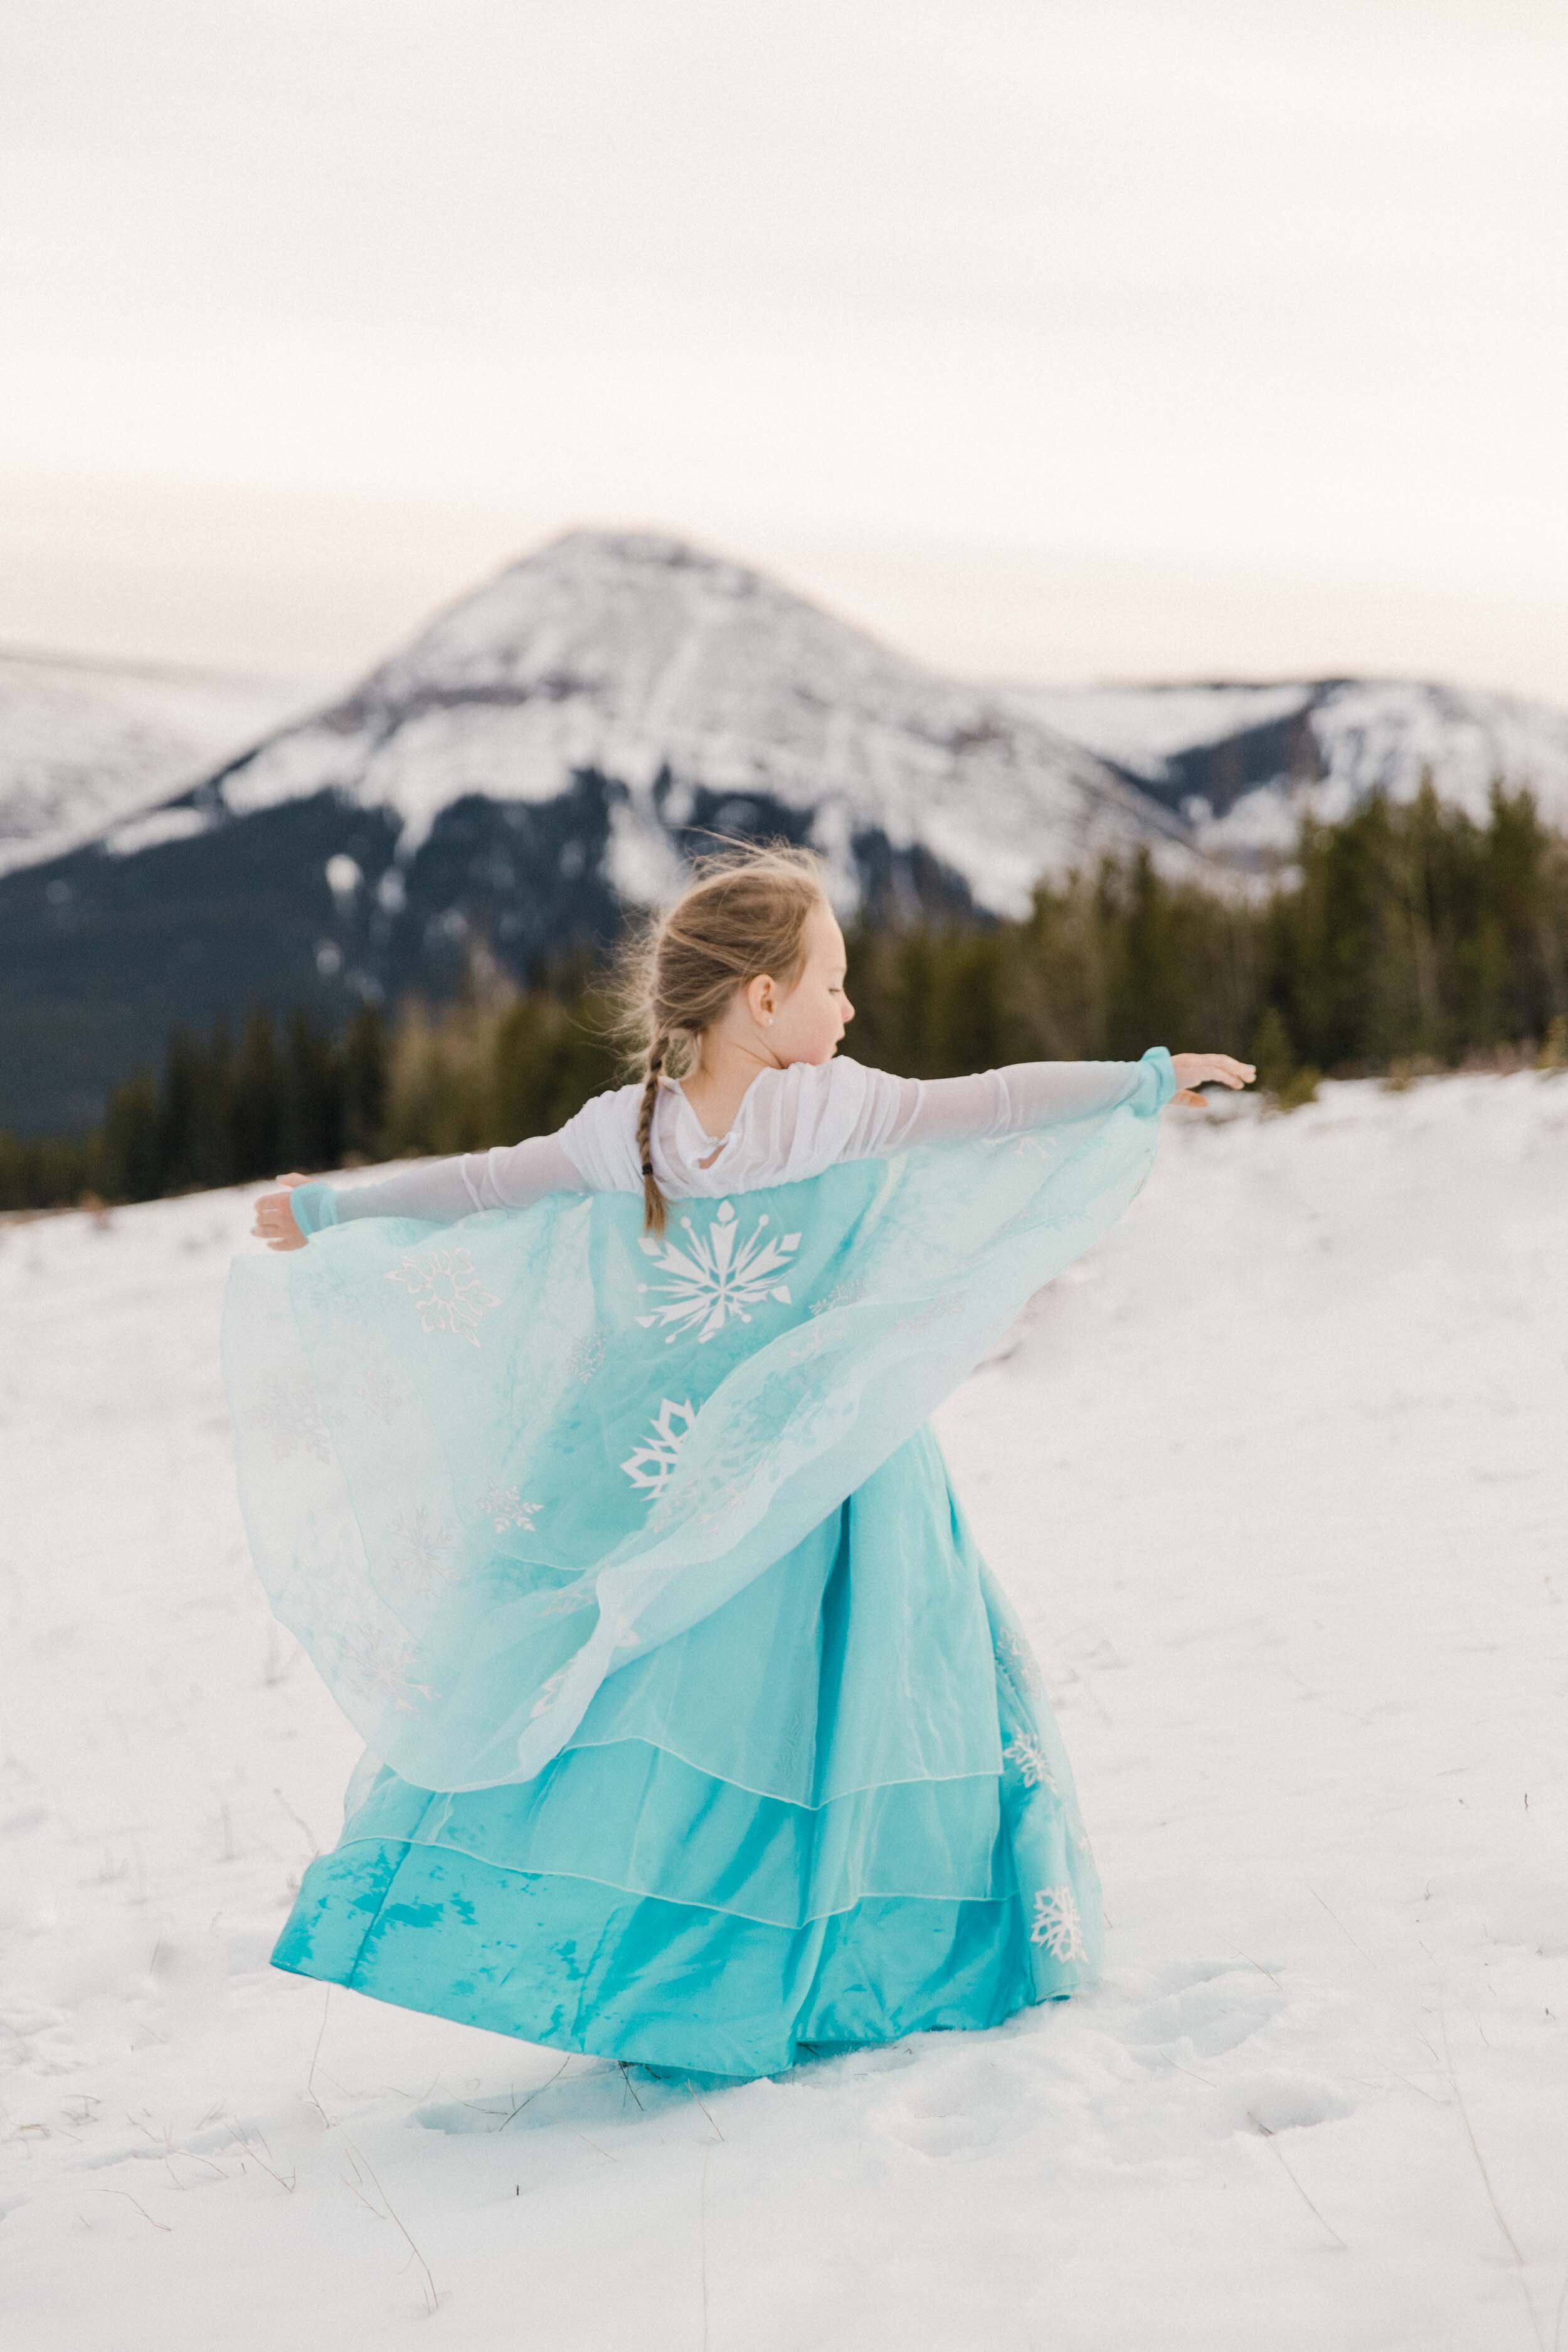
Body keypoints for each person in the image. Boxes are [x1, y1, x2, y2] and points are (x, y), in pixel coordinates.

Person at [226, 842, 1252, 2085]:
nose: (849, 1005)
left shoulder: (641, 1130)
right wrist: (1143, 1082)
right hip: (826, 1466)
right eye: (830, 979)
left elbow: (485, 1186)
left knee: (711, 1718)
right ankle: (854, 1955)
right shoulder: (815, 1111)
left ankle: (701, 1961)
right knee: (851, 1704)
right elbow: (990, 1101)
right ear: (760, 999)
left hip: (699, 1476)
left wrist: (331, 1207)